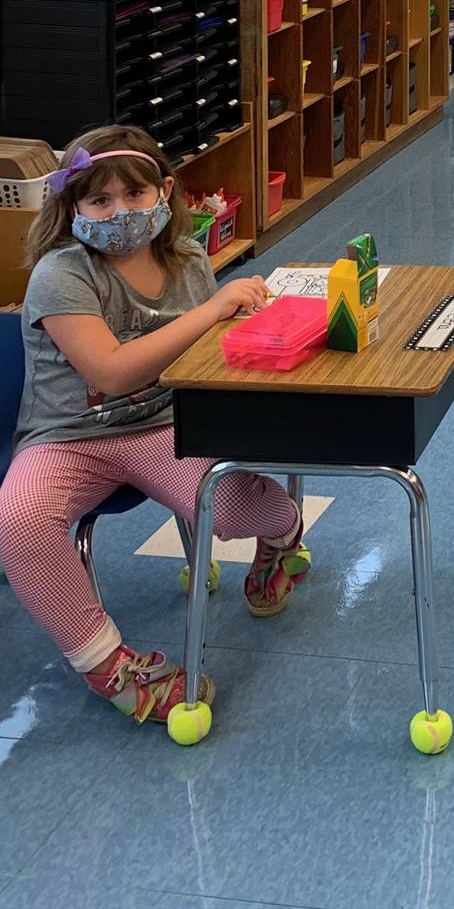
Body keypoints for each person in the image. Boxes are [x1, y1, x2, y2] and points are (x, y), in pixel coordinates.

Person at [0, 128, 310, 729]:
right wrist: (211, 312)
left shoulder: (188, 257)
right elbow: (111, 373)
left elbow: (205, 351)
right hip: (69, 437)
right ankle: (108, 665)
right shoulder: (61, 273)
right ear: (74, 209)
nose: (119, 212)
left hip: (165, 424)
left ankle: (284, 537)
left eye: (135, 194)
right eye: (100, 201)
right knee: (21, 518)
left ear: (165, 192)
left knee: (237, 508)